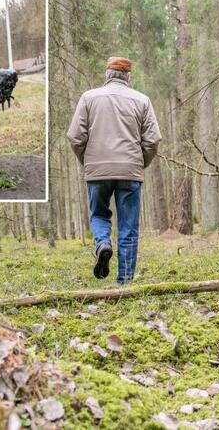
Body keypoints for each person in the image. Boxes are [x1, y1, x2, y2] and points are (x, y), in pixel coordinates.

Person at [66, 56, 162, 285]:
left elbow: (75, 137)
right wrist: (140, 164)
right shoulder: (142, 100)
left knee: (99, 214)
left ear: (107, 75)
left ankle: (102, 244)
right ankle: (125, 282)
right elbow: (153, 140)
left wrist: (89, 162)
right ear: (128, 76)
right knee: (128, 226)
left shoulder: (88, 98)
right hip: (130, 171)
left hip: (97, 170)